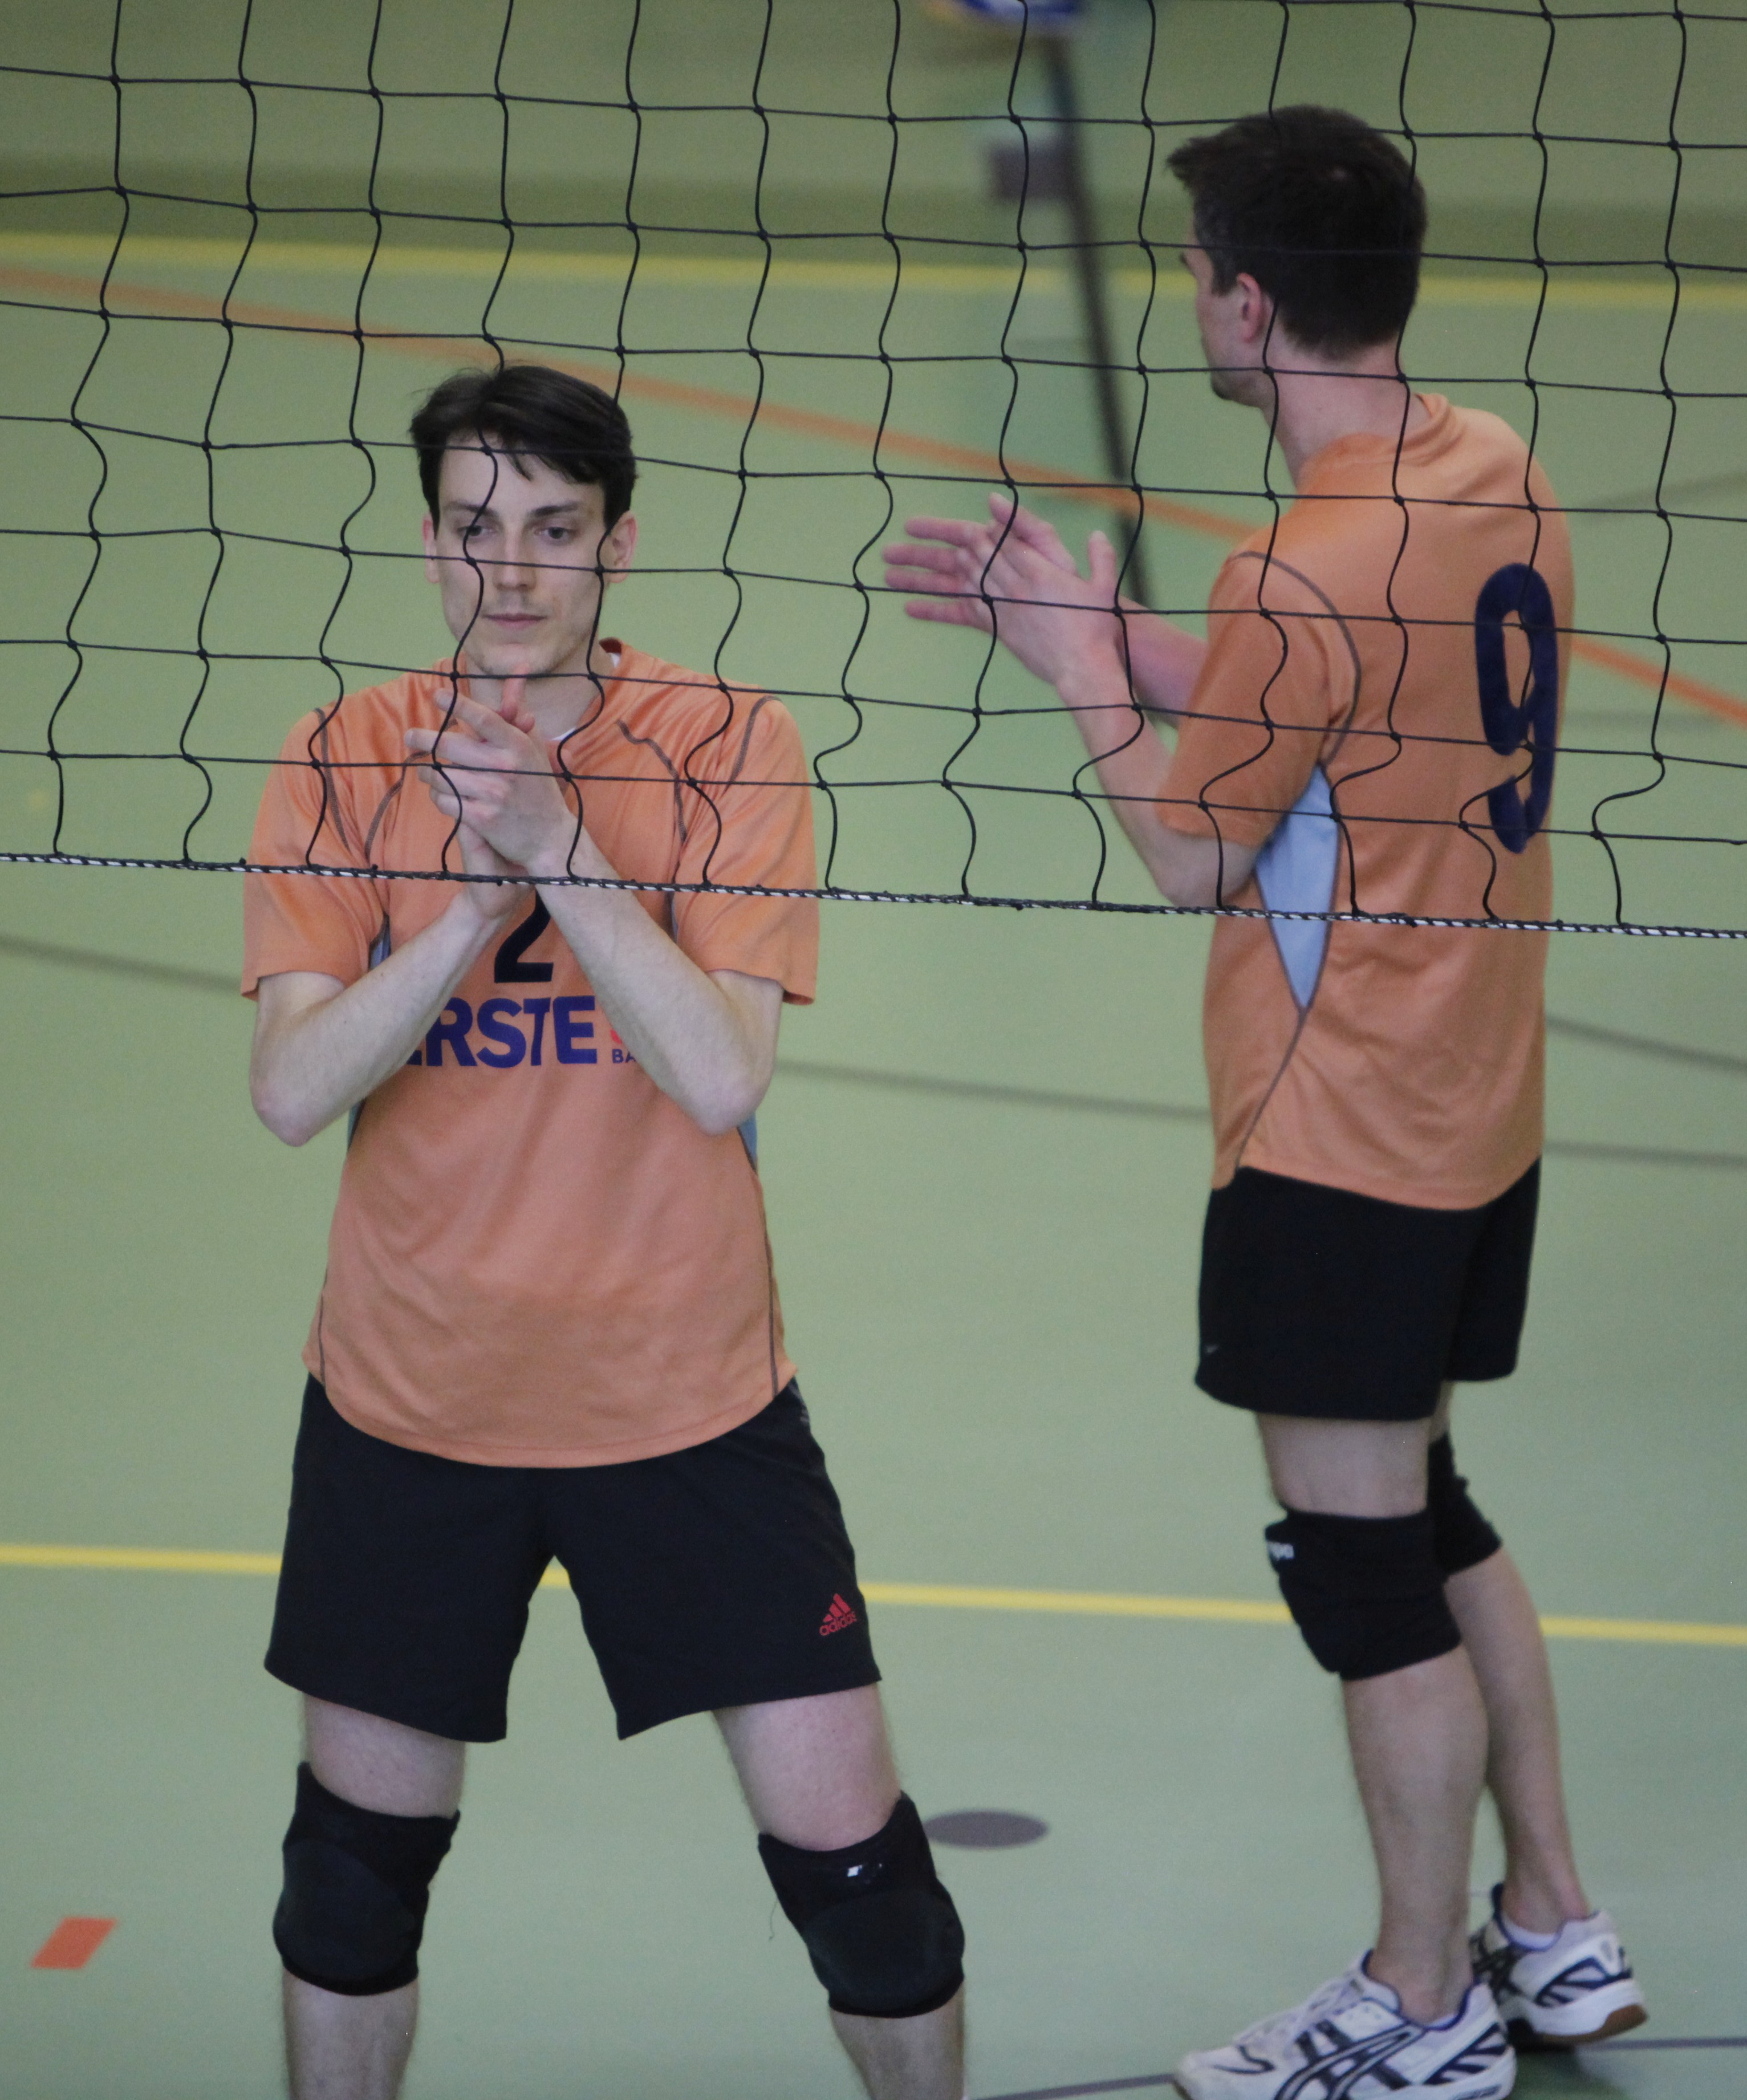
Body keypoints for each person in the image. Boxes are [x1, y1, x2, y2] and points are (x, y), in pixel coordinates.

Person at [884, 105, 1644, 2100]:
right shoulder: (1491, 471)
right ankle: (1557, 1923)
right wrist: (1112, 630)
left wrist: (1079, 675)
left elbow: (1194, 847)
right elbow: (1327, 700)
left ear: (1241, 304)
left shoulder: (1304, 567)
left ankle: (1421, 2000)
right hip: (1478, 1110)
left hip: (1338, 1136)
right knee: (1434, 1511)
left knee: (1364, 1573)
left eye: (1195, 272)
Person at [243, 361, 966, 2100]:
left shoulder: (730, 745)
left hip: (685, 1399)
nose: (510, 571)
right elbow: (289, 1087)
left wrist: (557, 844)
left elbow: (719, 1072)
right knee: (348, 1885)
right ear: (429, 540)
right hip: (412, 1402)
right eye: (473, 528)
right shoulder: (341, 753)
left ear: (618, 543)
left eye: (554, 531)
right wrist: (463, 916)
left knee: (870, 1898)